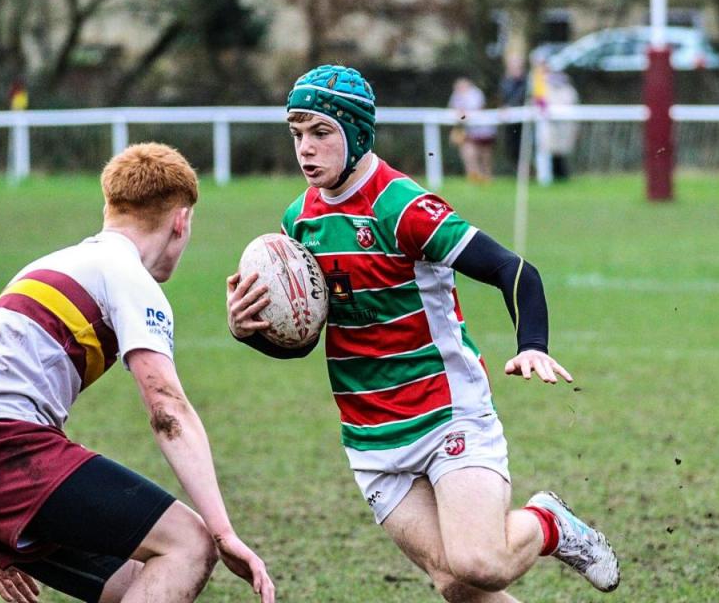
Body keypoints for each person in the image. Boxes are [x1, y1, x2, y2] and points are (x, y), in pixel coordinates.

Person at [227, 65, 620, 601]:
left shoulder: (404, 207)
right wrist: (250, 329)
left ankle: (549, 523)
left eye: (321, 132)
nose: (306, 149)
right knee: (454, 583)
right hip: (369, 436)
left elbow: (515, 271)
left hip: (445, 411)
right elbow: (305, 340)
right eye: (297, 134)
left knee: (480, 562)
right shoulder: (299, 222)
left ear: (357, 133)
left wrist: (532, 346)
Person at [0, 143, 274, 603]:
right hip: (7, 450)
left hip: (4, 465)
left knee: (137, 579)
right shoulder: (126, 274)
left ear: (109, 207)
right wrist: (223, 533)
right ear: (182, 221)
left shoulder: (50, 264)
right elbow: (167, 409)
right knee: (190, 545)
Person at [448, 77, 496, 183]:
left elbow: (476, 109)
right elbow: (453, 110)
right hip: (467, 130)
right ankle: (474, 175)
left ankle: (487, 175)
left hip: (483, 130)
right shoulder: (456, 95)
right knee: (468, 151)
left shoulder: (476, 94)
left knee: (485, 154)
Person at [545, 69, 580, 182]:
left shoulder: (569, 91)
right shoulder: (547, 90)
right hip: (551, 126)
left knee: (563, 152)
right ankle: (553, 175)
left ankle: (563, 175)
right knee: (552, 152)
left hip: (565, 126)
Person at [498, 54, 527, 169]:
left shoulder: (527, 80)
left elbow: (523, 97)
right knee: (511, 148)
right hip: (510, 120)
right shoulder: (505, 80)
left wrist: (511, 106)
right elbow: (503, 97)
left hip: (523, 119)